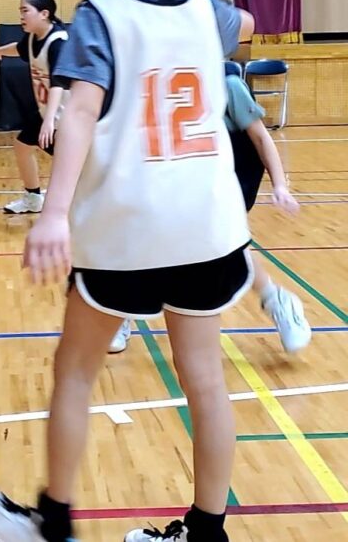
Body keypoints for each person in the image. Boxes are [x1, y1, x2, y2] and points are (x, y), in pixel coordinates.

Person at [0, 0, 255, 542]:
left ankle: (53, 522)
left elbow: (78, 113)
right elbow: (245, 21)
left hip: (127, 227)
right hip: (207, 226)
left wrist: (53, 212)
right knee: (206, 380)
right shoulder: (205, 12)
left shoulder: (101, 15)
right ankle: (206, 532)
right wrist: (218, 8)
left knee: (75, 370)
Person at [109, 63, 312, 356]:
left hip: (225, 174)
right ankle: (122, 312)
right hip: (175, 171)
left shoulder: (228, 85)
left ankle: (279, 302)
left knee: (223, 247)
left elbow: (260, 137)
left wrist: (280, 184)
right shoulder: (150, 82)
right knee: (148, 238)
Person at [0, 0, 68, 214]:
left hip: (66, 115)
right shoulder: (32, 38)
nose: (21, 16)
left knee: (73, 165)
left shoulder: (58, 42)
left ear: (44, 14)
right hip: (48, 112)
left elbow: (58, 83)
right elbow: (18, 49)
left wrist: (49, 121)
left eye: (25, 11)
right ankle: (33, 198)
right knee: (22, 147)